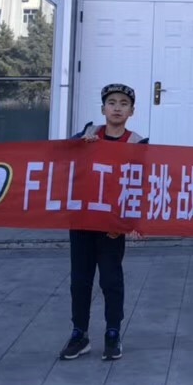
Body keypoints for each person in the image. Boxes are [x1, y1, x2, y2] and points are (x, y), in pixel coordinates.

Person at [60, 83, 147, 363]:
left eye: (123, 103)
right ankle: (79, 333)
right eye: (112, 103)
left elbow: (139, 185)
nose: (117, 108)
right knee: (80, 280)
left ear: (131, 111)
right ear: (102, 109)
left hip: (112, 225)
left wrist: (129, 222)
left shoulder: (137, 143)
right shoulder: (87, 135)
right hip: (82, 220)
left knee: (111, 279)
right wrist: (79, 146)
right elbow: (60, 159)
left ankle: (112, 332)